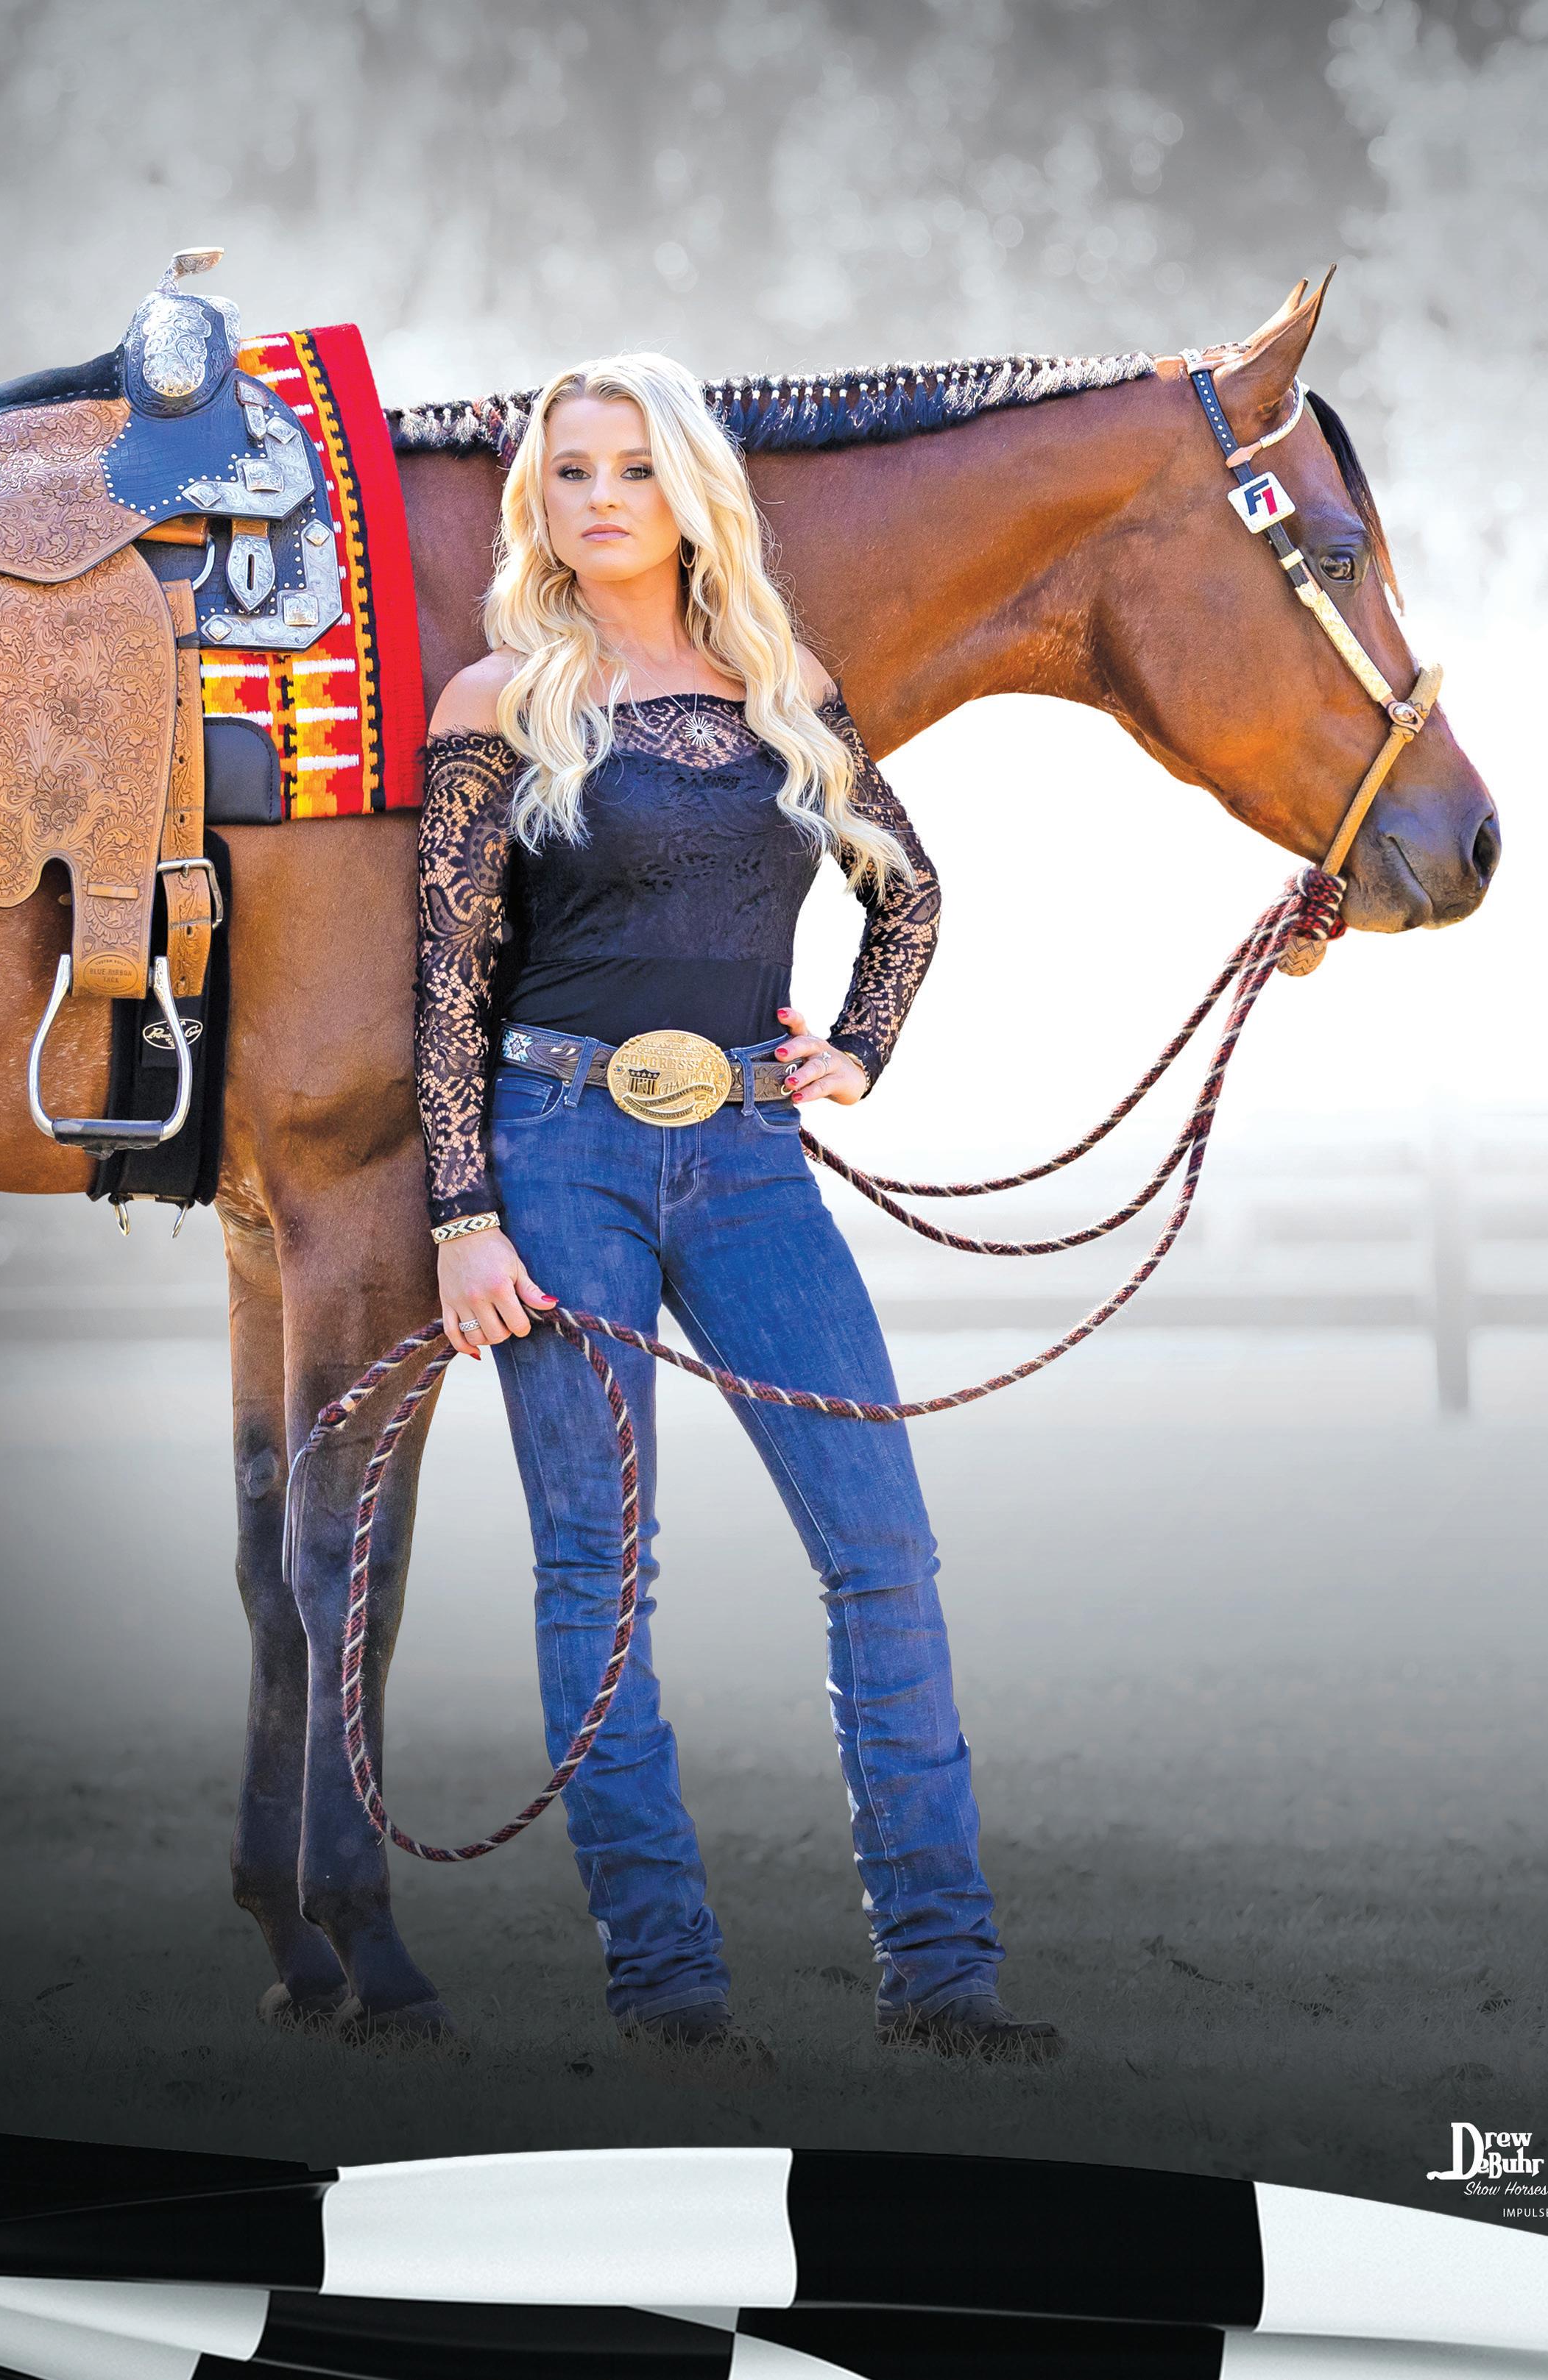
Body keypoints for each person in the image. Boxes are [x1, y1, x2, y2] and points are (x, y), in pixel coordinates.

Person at [414, 350, 1059, 2064]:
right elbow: (448, 984)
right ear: (537, 502)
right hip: (556, 1146)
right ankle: (669, 1992)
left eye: (633, 467)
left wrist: (857, 1047)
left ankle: (944, 1980)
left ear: (692, 490)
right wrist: (463, 1215)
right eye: (570, 472)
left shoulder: (784, 688)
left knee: (882, 1552)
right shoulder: (500, 699)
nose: (600, 498)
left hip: (752, 1156)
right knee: (596, 1569)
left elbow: (907, 893)